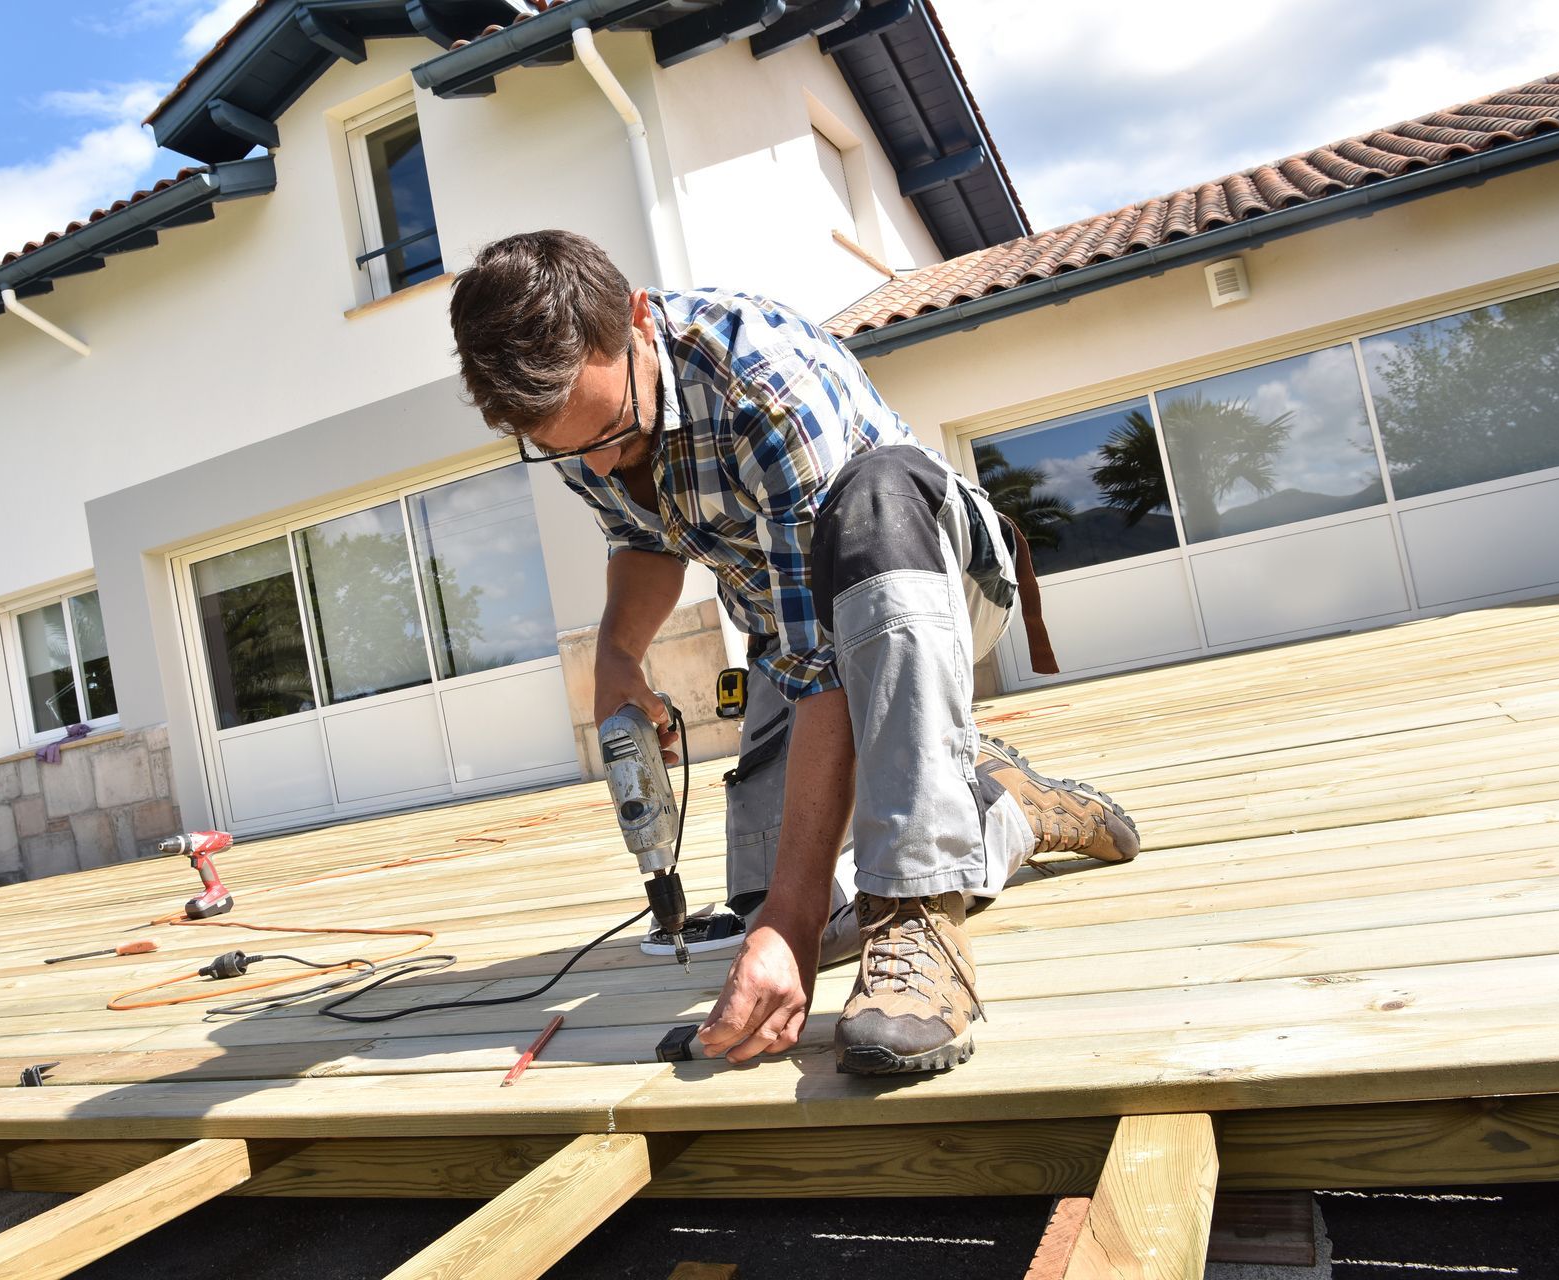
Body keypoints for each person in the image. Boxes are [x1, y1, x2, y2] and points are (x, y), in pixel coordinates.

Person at [448, 230, 1139, 1075]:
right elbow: (644, 541)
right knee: (769, 908)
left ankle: (921, 921)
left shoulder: (760, 375)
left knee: (875, 491)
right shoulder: (574, 413)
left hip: (931, 577)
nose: (593, 459)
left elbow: (831, 667)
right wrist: (618, 655)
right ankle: (1006, 810)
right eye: (564, 447)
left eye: (612, 430)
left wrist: (795, 916)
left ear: (635, 322)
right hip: (795, 634)